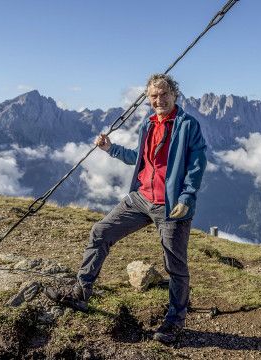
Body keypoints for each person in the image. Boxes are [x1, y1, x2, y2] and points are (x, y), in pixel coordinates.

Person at [45, 74, 207, 344]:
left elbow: (197, 163)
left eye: (164, 94)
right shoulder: (148, 123)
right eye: (153, 96)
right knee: (101, 231)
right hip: (140, 198)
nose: (159, 99)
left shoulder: (187, 125)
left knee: (175, 265)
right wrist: (111, 149)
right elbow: (139, 158)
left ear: (175, 94)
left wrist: (187, 196)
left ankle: (175, 321)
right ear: (147, 99)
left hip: (171, 205)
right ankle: (80, 293)